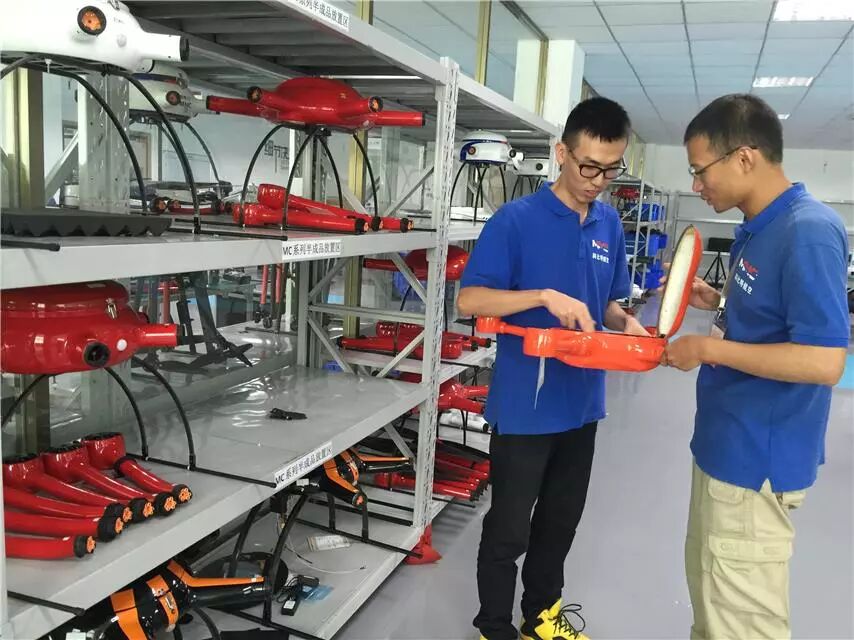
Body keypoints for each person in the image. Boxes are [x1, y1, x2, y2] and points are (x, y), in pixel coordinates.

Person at [457, 97, 648, 640]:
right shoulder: (515, 220)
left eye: (611, 169)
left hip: (583, 402)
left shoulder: (609, 222)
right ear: (561, 152)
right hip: (526, 405)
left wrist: (628, 323)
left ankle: (541, 614)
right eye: (589, 167)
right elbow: (470, 300)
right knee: (509, 527)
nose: (598, 182)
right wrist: (541, 295)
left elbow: (608, 301)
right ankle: (494, 625)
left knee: (560, 522)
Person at [663, 94, 850, 639]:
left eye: (701, 170)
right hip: (724, 451)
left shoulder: (807, 231)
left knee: (742, 626)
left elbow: (824, 360)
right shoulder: (759, 227)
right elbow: (774, 318)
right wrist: (721, 302)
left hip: (756, 464)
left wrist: (707, 350)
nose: (696, 184)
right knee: (713, 612)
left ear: (744, 158)